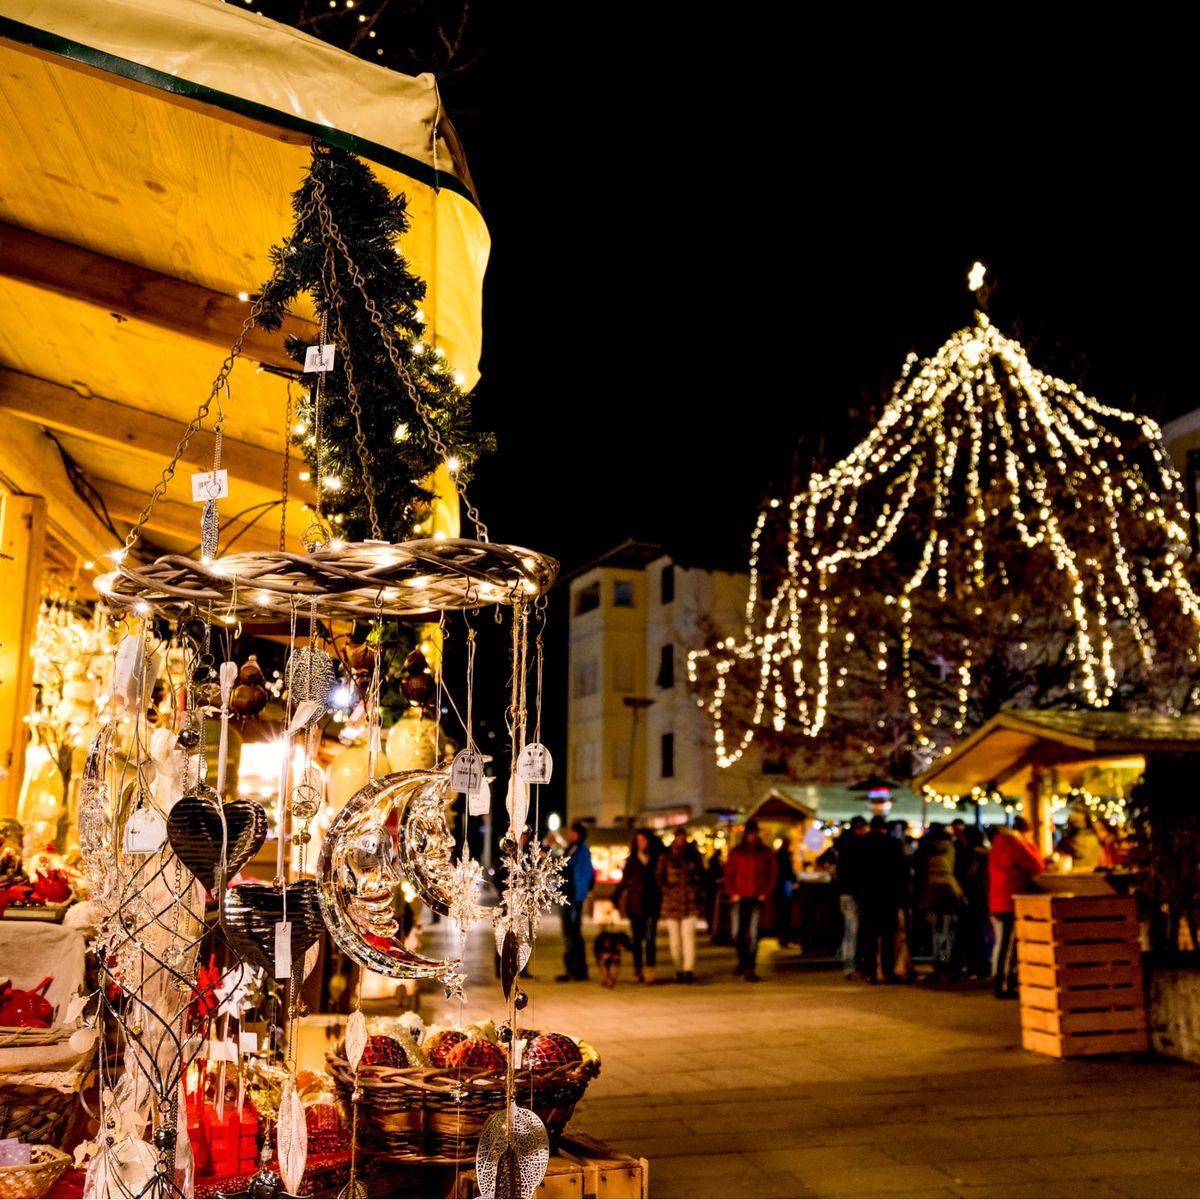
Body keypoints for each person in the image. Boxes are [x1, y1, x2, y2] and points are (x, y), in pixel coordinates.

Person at [989, 816, 1044, 998]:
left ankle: (1004, 984)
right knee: (1009, 945)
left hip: (998, 898)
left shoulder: (999, 843)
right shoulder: (1015, 844)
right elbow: (1037, 865)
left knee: (1005, 943)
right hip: (1010, 899)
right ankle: (1003, 986)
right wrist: (1031, 844)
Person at [723, 819, 777, 982]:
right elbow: (728, 874)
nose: (752, 837)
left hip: (756, 897)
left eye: (754, 834)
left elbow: (773, 873)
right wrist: (732, 892)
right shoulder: (737, 852)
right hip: (740, 897)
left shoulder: (765, 852)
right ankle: (743, 960)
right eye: (750, 834)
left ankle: (749, 967)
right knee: (737, 933)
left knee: (753, 934)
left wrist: (765, 893)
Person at [856, 815, 907, 983]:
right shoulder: (893, 844)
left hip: (868, 896)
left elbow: (856, 872)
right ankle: (887, 971)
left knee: (870, 936)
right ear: (884, 828)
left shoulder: (862, 844)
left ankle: (871, 972)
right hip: (888, 896)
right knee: (887, 936)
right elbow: (901, 873)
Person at [611, 828, 662, 983]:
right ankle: (638, 968)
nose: (641, 843)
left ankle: (650, 970)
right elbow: (625, 880)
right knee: (637, 939)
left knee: (650, 938)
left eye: (644, 840)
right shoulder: (632, 860)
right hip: (635, 904)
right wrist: (615, 896)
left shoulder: (657, 858)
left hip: (652, 903)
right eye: (639, 840)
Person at [655, 828, 706, 983]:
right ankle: (678, 969)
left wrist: (696, 888)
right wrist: (666, 889)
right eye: (679, 837)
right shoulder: (666, 857)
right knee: (675, 939)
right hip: (672, 902)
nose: (681, 840)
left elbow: (702, 875)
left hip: (689, 901)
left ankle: (688, 969)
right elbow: (658, 876)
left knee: (688, 936)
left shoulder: (694, 856)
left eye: (683, 837)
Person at [916, 822, 963, 980]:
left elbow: (919, 870)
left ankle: (937, 960)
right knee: (948, 929)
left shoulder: (924, 847)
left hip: (930, 889)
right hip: (949, 888)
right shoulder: (951, 846)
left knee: (934, 929)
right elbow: (956, 868)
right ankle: (948, 959)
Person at [556, 821, 595, 982]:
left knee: (571, 934)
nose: (568, 835)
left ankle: (575, 970)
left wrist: (578, 897)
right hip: (571, 897)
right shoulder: (576, 849)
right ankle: (577, 969)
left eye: (571, 832)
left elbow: (569, 869)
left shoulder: (579, 850)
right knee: (572, 934)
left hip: (572, 898)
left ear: (577, 834)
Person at [835, 817, 869, 979]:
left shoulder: (842, 847)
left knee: (849, 929)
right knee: (854, 929)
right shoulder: (858, 847)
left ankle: (847, 963)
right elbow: (859, 873)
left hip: (844, 893)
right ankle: (851, 964)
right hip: (854, 893)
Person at [773, 832, 798, 947]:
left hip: (779, 887)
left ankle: (782, 936)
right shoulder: (784, 855)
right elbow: (787, 872)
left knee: (781, 912)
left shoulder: (779, 854)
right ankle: (784, 937)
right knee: (785, 912)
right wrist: (794, 878)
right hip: (784, 886)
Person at [593, 921, 633, 988]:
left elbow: (617, 960)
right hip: (601, 948)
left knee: (614, 963)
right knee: (605, 963)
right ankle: (605, 978)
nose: (623, 949)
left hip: (611, 946)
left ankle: (611, 978)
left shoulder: (617, 943)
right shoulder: (600, 941)